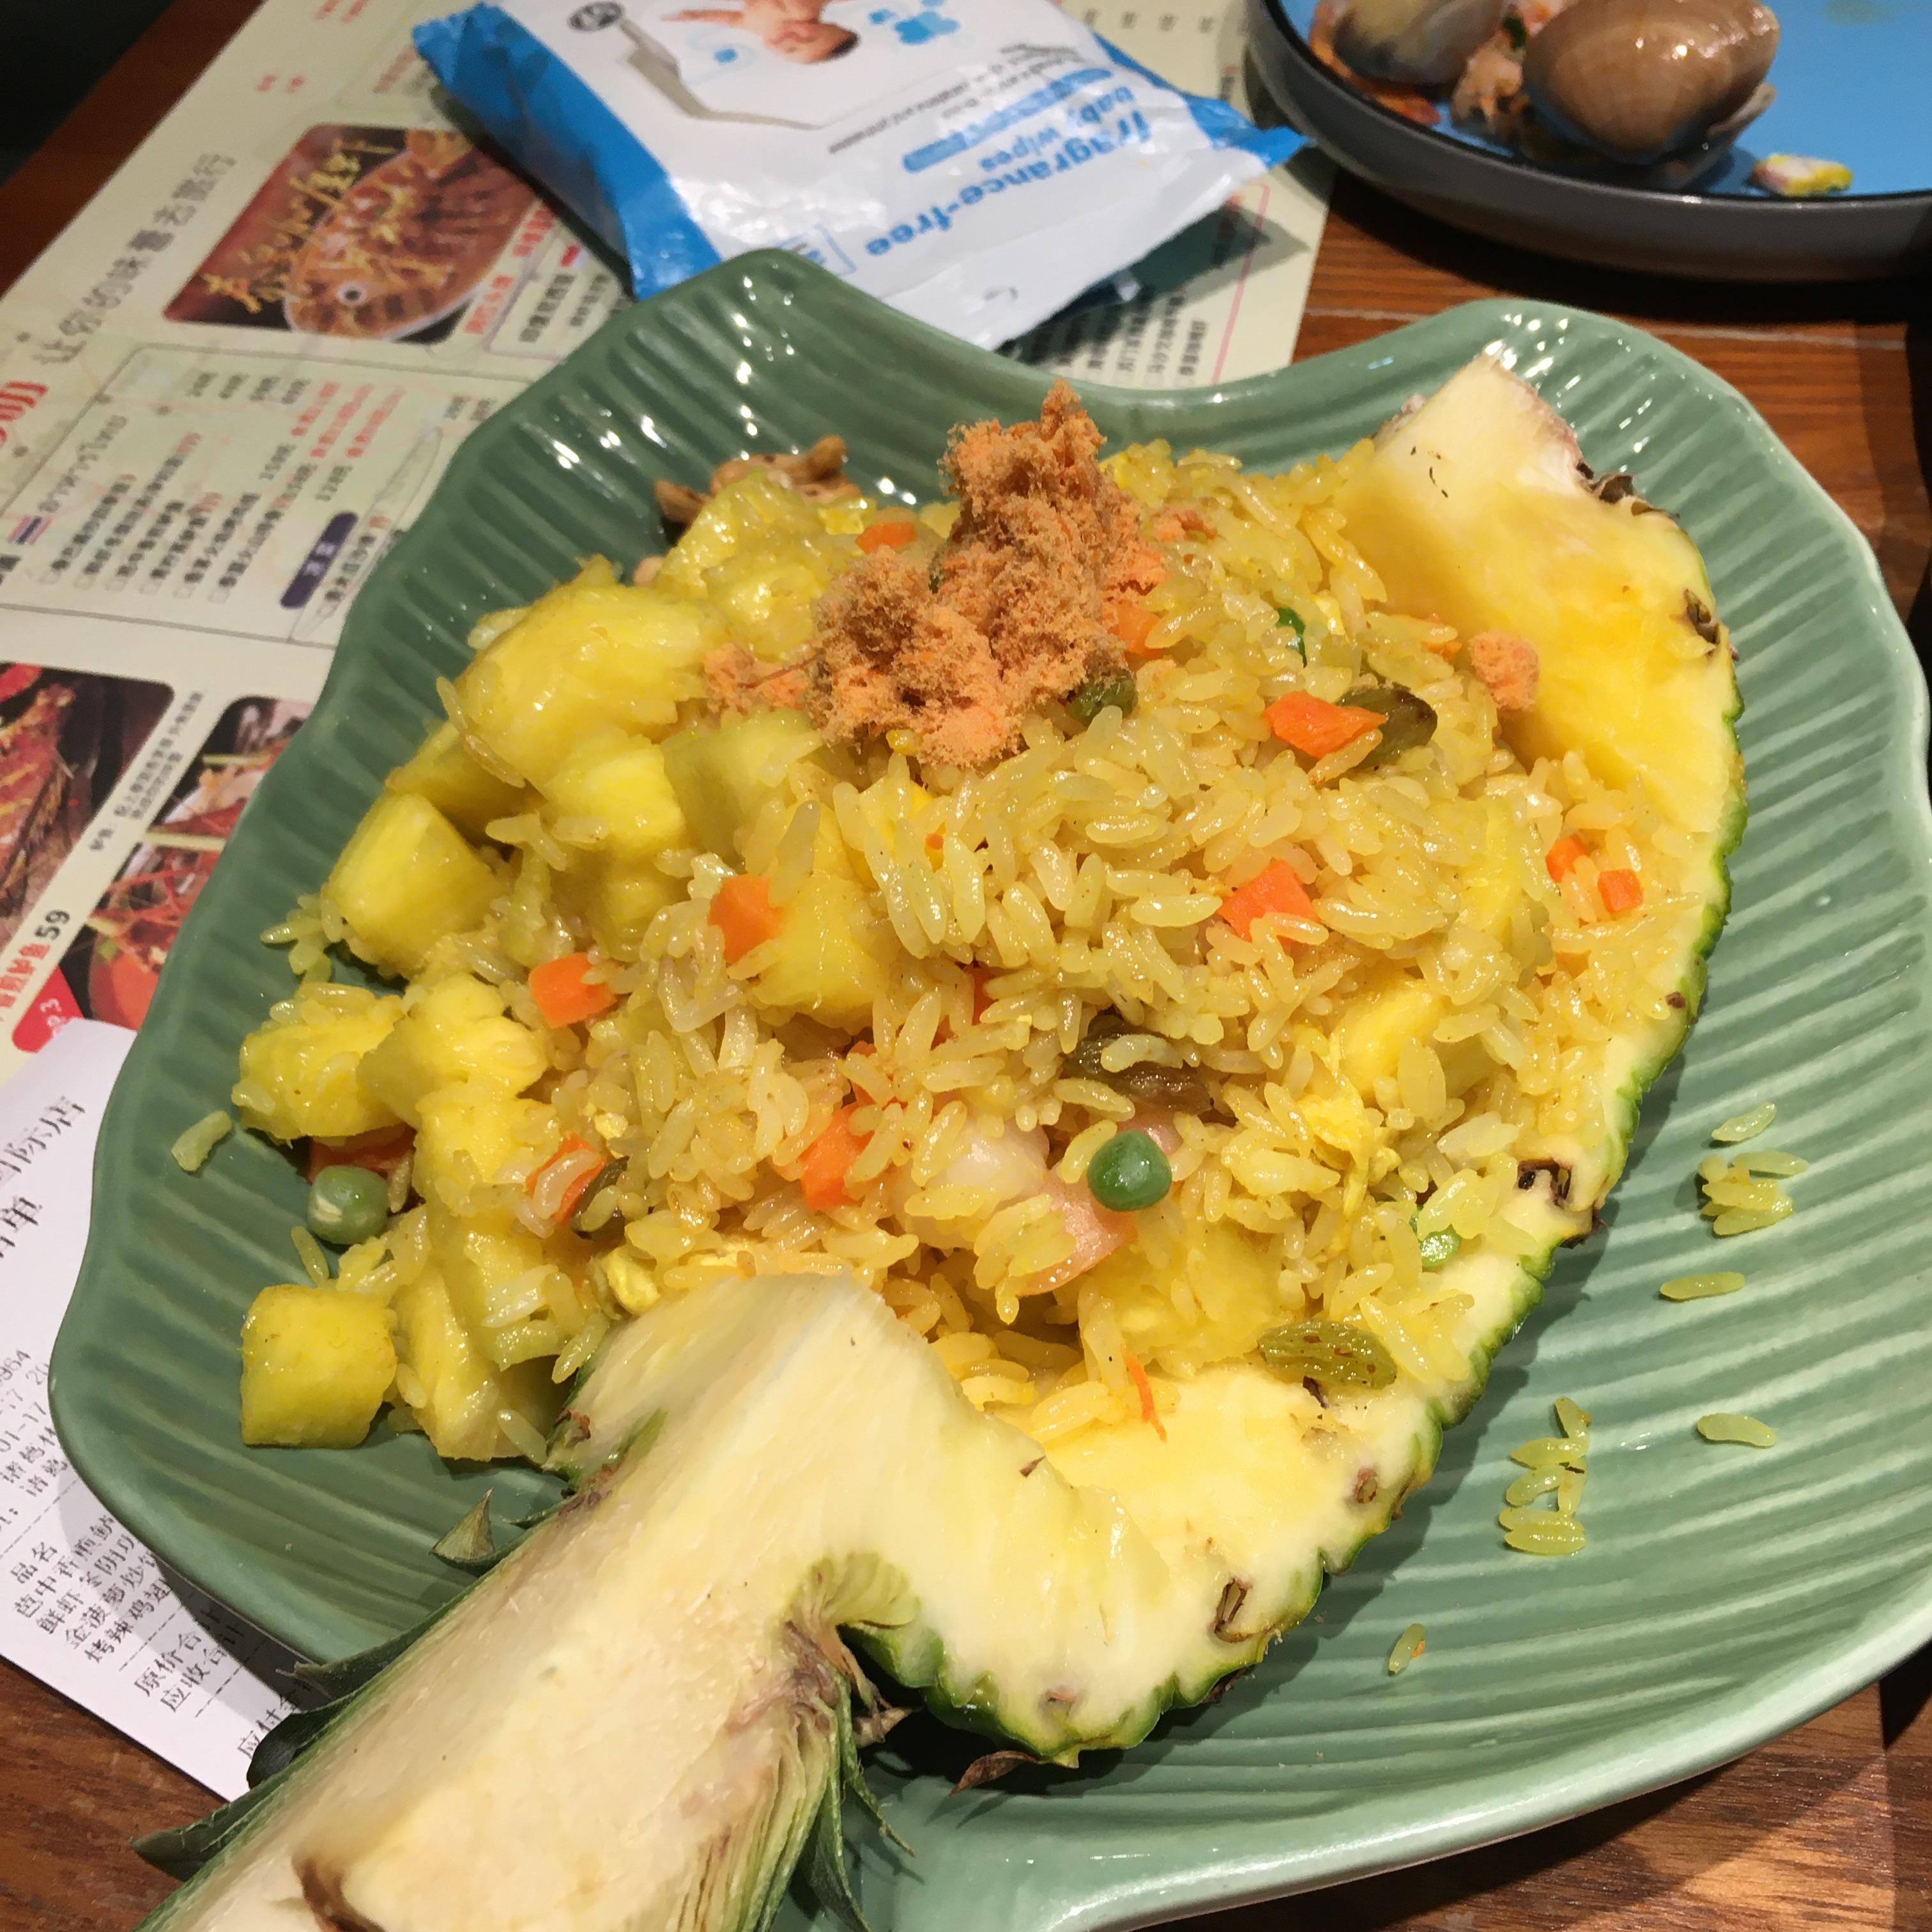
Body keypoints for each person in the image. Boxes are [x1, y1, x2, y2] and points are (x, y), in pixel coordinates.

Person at [667, 0, 857, 63]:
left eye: (791, 50)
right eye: (810, 38)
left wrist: (696, 16)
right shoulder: (800, 10)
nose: (792, 40)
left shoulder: (760, 27)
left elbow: (732, 19)